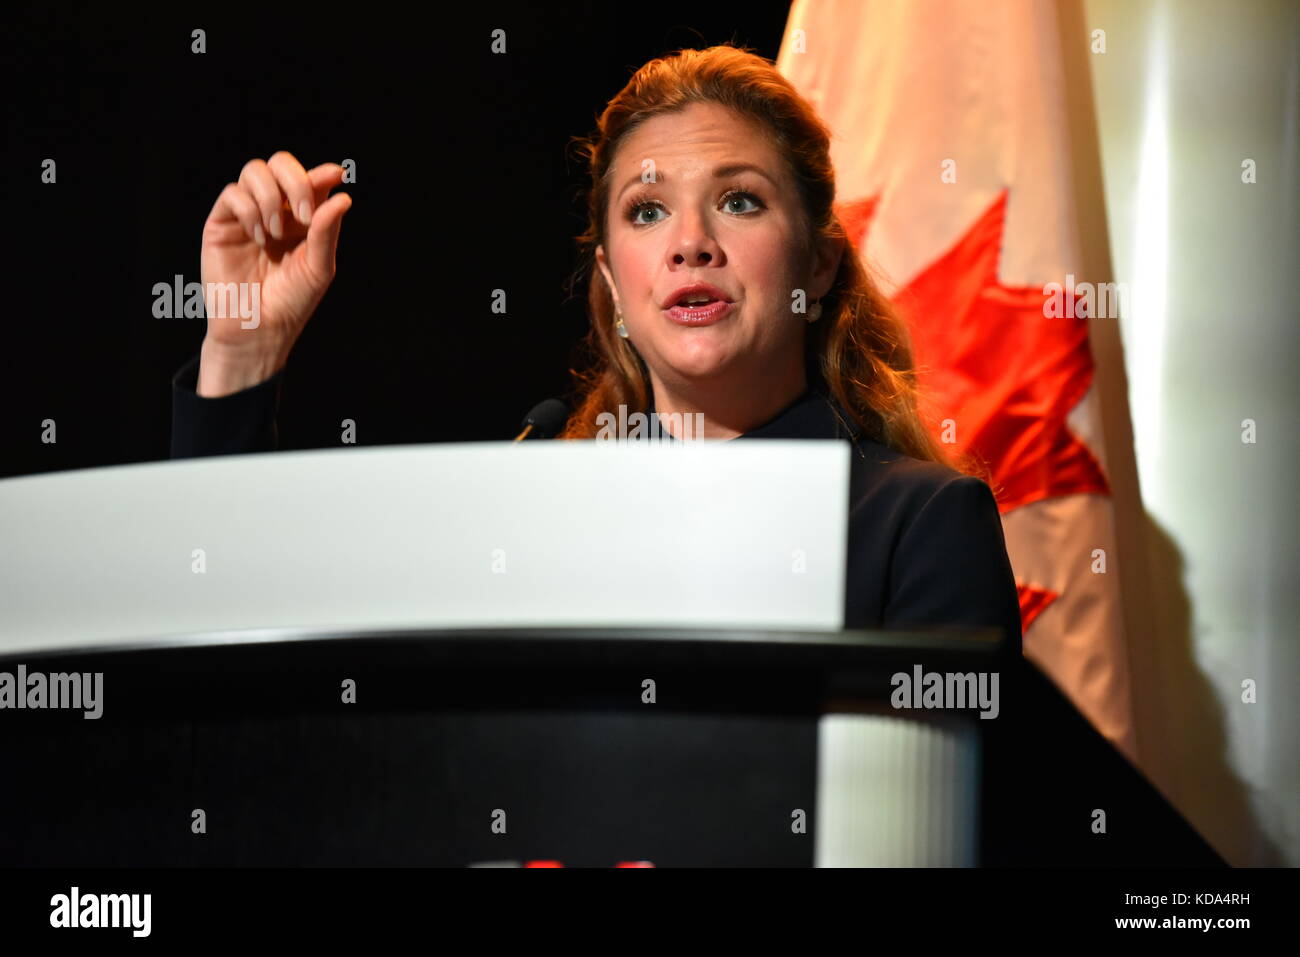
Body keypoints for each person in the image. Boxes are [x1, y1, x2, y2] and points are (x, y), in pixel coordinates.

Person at [170, 45, 1022, 654]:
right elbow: (240, 642)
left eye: (740, 201)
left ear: (821, 259)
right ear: (612, 281)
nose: (691, 242)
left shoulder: (917, 523)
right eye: (648, 212)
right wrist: (242, 353)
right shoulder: (528, 505)